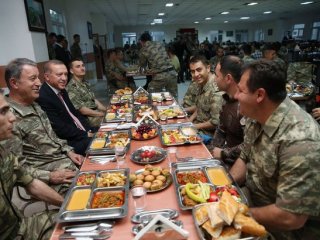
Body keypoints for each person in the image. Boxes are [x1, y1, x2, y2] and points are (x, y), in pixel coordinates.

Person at [230, 60, 320, 239]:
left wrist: (239, 215)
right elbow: (244, 157)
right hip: (253, 203)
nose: (235, 96)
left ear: (260, 95)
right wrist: (224, 189)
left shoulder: (300, 139)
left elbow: (291, 217)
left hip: (286, 232)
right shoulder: (255, 115)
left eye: (240, 91)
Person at [5, 58, 80, 193]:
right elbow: (15, 167)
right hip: (49, 175)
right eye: (33, 79)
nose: (39, 83)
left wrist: (68, 150)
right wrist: (50, 176)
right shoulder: (7, 117)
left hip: (65, 162)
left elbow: (51, 136)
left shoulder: (34, 104)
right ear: (14, 83)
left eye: (38, 78)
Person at [0, 91, 64, 240]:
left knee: (77, 222)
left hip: (20, 227)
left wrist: (68, 205)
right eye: (3, 112)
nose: (13, 118)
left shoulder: (4, 153)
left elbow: (32, 184)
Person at [37, 60, 96, 156]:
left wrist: (89, 130)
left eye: (65, 74)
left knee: (105, 131)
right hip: (69, 142)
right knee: (103, 143)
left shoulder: (62, 90)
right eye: (59, 75)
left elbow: (75, 114)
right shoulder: (44, 97)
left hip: (80, 132)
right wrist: (86, 135)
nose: (64, 78)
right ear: (47, 77)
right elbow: (60, 128)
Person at [209, 56, 244, 167]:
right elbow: (221, 130)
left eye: (217, 75)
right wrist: (210, 151)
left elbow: (250, 145)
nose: (214, 79)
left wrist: (223, 153)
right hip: (224, 159)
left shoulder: (244, 106)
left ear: (228, 78)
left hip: (239, 166)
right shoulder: (227, 100)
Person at [187, 54, 224, 138]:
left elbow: (215, 123)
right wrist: (190, 120)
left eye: (199, 70)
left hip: (207, 134)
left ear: (208, 68)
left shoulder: (216, 90)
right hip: (197, 126)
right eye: (193, 71)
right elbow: (199, 107)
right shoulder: (202, 83)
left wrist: (194, 126)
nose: (196, 74)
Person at [66, 58, 106, 127]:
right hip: (88, 119)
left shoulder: (85, 83)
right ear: (71, 71)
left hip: (96, 114)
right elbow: (82, 110)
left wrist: (107, 110)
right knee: (113, 122)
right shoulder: (71, 88)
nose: (82, 68)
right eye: (78, 66)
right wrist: (102, 114)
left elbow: (94, 100)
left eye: (83, 65)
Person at [139, 32, 178, 98]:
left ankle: (154, 107)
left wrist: (143, 70)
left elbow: (142, 65)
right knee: (172, 96)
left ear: (141, 41)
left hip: (160, 75)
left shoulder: (144, 49)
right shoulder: (160, 43)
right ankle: (175, 107)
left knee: (152, 94)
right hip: (172, 73)